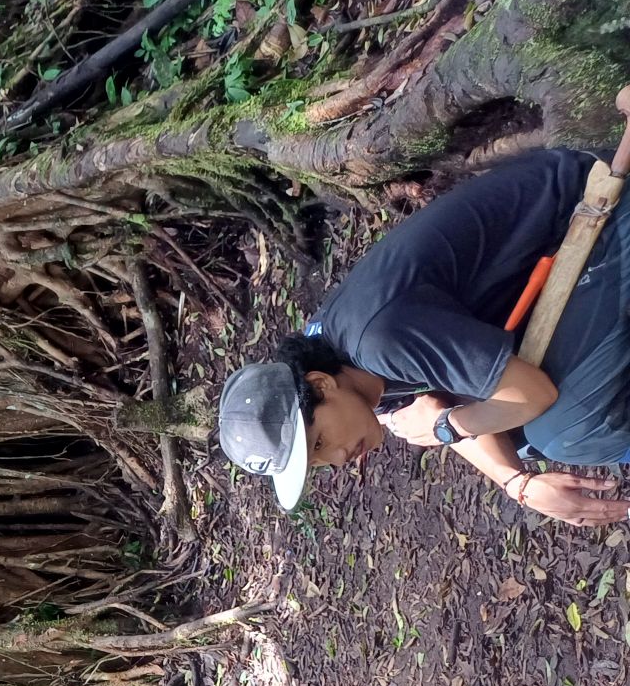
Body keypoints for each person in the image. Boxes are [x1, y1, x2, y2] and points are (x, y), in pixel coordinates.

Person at [219, 93, 630, 528]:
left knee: (565, 430)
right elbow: (438, 408)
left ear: (319, 385)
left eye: (319, 441)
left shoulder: (379, 338)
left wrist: (449, 426)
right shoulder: (340, 365)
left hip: (596, 216)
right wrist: (518, 485)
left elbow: (525, 397)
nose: (337, 459)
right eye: (317, 461)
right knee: (519, 435)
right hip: (556, 266)